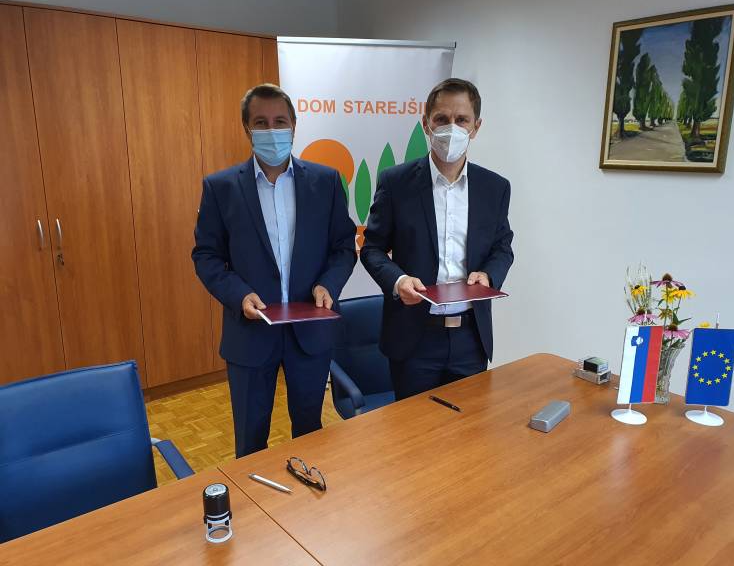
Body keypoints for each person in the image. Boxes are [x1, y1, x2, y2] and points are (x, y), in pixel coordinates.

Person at [192, 84, 356, 457]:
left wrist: (328, 285)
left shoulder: (326, 182)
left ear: (294, 126)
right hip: (249, 335)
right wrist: (239, 295)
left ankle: (307, 496)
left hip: (310, 332)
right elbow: (206, 255)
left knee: (311, 437)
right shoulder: (220, 188)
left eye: (280, 121)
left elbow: (343, 247)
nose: (272, 130)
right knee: (250, 443)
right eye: (261, 123)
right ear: (246, 128)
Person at [361, 78, 514, 400]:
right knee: (413, 429)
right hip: (413, 338)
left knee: (468, 427)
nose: (451, 128)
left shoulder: (495, 188)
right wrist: (398, 280)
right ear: (426, 124)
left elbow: (502, 247)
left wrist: (488, 276)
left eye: (462, 120)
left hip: (471, 337)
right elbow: (372, 249)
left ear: (476, 127)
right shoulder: (396, 183)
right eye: (442, 119)